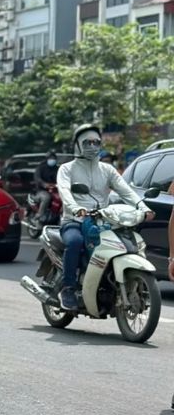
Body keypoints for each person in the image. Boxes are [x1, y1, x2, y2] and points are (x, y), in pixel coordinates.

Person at [55, 124, 151, 310]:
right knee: (74, 242)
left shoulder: (107, 170)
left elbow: (126, 191)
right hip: (74, 221)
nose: (92, 146)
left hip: (104, 221)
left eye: (96, 142)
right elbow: (65, 192)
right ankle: (68, 288)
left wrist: (143, 207)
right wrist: (75, 208)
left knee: (123, 243)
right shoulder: (67, 169)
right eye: (87, 142)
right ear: (78, 145)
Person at [34, 150, 59, 219]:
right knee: (46, 198)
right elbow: (38, 179)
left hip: (56, 191)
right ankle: (40, 215)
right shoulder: (41, 168)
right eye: (51, 158)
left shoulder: (57, 169)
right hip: (42, 191)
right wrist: (45, 185)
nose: (52, 160)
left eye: (54, 159)